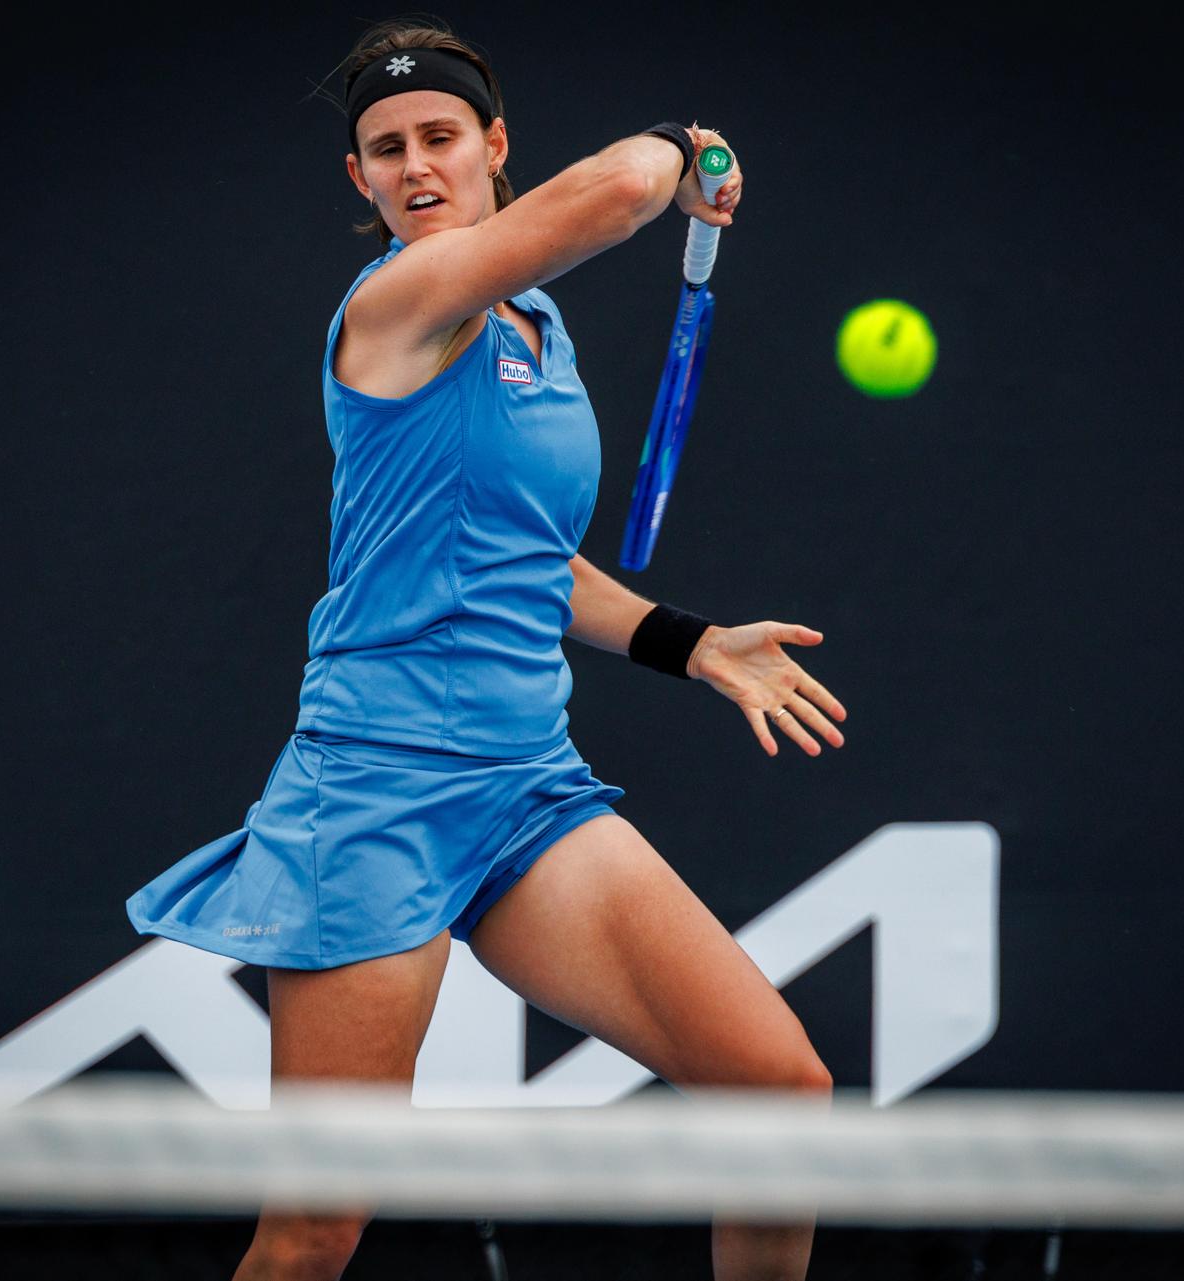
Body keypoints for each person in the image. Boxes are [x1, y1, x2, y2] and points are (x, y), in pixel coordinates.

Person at [125, 18, 849, 1281]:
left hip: (525, 790)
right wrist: (688, 149)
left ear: (493, 144)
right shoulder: (400, 300)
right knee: (312, 1233)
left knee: (778, 1095)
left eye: (441, 138)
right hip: (378, 790)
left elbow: (521, 559)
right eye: (385, 149)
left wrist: (688, 645)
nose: (416, 166)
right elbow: (624, 189)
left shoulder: (534, 331)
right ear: (357, 179)